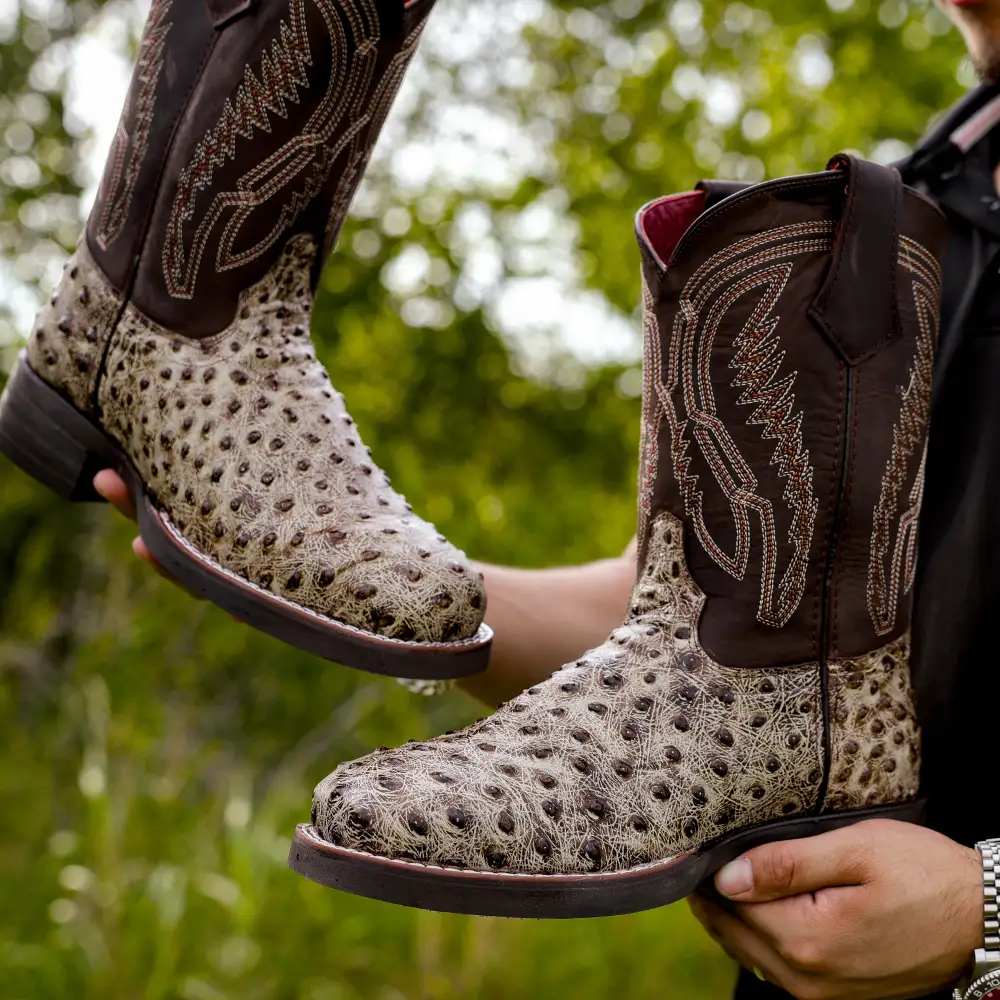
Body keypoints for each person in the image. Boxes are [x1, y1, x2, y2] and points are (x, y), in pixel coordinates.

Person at [89, 0, 1000, 996]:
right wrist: (356, 576)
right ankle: (139, 344)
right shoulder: (928, 194)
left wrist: (984, 911)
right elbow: (697, 624)